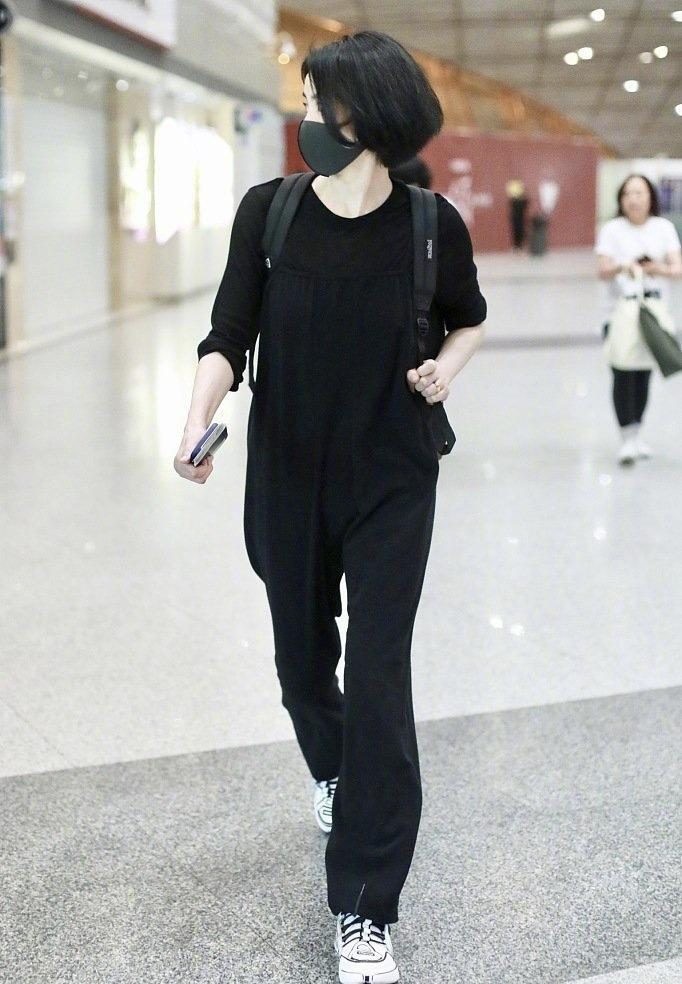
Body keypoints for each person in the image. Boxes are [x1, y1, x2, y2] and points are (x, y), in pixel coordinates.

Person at [174, 31, 486, 984]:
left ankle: (364, 905)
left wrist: (445, 370)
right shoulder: (269, 213)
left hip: (393, 475)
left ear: (364, 115)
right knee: (302, 662)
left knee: (381, 677)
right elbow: (226, 333)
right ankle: (334, 768)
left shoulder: (432, 225)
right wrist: (195, 420)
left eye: (314, 103)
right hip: (288, 473)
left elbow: (470, 319)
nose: (304, 119)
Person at [596, 174, 682, 465]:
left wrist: (654, 268)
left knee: (643, 374)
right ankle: (626, 436)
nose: (633, 199)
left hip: (653, 313)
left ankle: (636, 433)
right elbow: (602, 269)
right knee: (622, 373)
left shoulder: (663, 228)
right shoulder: (612, 230)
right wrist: (624, 267)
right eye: (628, 193)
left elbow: (677, 268)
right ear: (620, 199)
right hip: (618, 312)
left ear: (650, 197)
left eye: (639, 193)